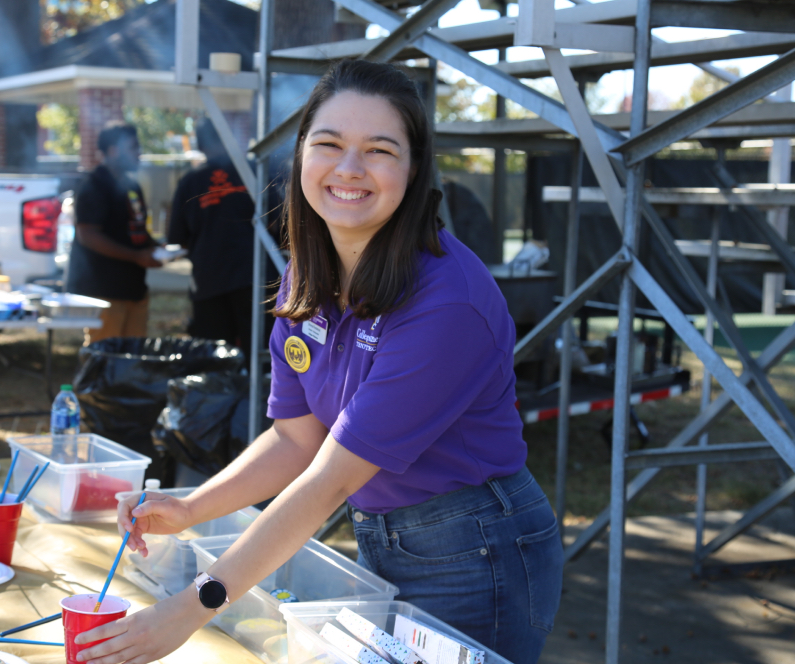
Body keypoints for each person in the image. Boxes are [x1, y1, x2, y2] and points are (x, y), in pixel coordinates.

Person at [74, 60, 563, 664]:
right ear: (302, 154)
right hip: (385, 537)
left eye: (379, 150)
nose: (349, 168)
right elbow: (297, 439)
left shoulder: (447, 301)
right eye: (328, 144)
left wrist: (190, 608)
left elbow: (328, 480)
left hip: (477, 548)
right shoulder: (309, 278)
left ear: (413, 170)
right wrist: (190, 508)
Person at [67, 122, 162, 344]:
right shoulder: (94, 186)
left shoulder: (131, 186)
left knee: (133, 356)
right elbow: (87, 235)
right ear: (113, 151)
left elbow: (135, 228)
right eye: (133, 147)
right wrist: (137, 256)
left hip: (134, 288)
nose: (139, 153)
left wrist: (156, 248)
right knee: (104, 358)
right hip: (104, 291)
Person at [167, 119, 255, 353]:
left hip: (209, 280)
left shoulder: (190, 182)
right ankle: (257, 389)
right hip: (254, 280)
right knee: (257, 352)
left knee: (213, 356)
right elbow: (279, 226)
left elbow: (177, 237)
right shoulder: (254, 172)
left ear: (201, 145)